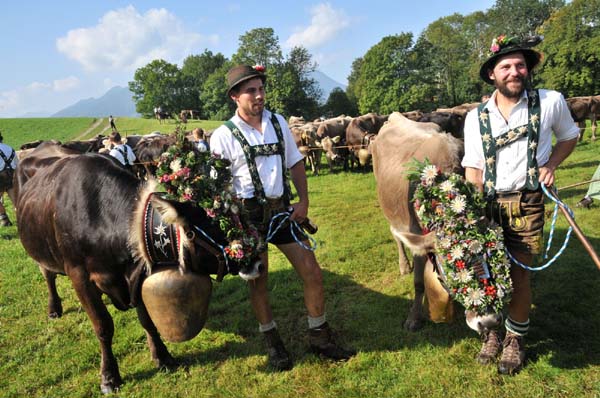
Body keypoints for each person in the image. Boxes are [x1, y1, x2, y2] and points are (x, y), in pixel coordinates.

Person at [210, 65, 355, 371]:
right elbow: (218, 187)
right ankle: (273, 342)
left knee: (312, 271)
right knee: (258, 283)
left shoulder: (277, 122)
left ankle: (320, 337)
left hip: (282, 211)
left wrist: (303, 201)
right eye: (251, 90)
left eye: (261, 89)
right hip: (248, 217)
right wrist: (233, 228)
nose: (259, 95)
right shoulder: (223, 136)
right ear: (235, 96)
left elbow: (296, 163)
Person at [462, 35, 579, 374]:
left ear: (528, 70)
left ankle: (514, 338)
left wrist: (552, 164)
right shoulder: (476, 117)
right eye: (506, 67)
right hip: (489, 204)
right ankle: (493, 332)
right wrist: (472, 213)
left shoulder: (550, 101)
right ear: (492, 75)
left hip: (527, 201)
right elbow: (473, 167)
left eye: (520, 65)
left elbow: (570, 136)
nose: (514, 72)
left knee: (518, 275)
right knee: (487, 273)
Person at [0, 131, 18, 226]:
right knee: (16, 202)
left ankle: (4, 220)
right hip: (12, 176)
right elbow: (17, 164)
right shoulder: (9, 148)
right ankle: (23, 221)